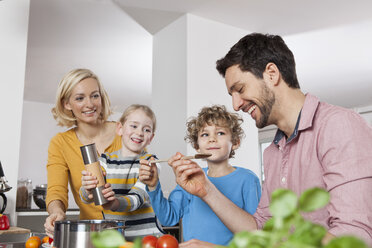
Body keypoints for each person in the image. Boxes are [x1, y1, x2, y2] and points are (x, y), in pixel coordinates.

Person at [167, 33, 372, 247]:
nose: (236, 105)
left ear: (271, 74)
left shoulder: (339, 125)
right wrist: (206, 190)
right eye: (231, 95)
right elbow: (261, 229)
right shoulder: (273, 152)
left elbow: (353, 236)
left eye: (240, 89)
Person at [139, 105, 261, 245]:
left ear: (235, 142)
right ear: (197, 146)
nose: (212, 139)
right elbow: (168, 218)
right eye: (205, 134)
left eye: (220, 133)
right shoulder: (191, 176)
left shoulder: (248, 180)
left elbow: (256, 235)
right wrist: (154, 186)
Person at [44, 68, 122, 237]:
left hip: (132, 229)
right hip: (92, 234)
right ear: (67, 103)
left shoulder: (124, 132)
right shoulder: (61, 143)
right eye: (80, 98)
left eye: (95, 95)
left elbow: (144, 186)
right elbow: (56, 191)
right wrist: (56, 212)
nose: (90, 104)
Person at [80, 104, 164, 240]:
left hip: (148, 239)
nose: (139, 132)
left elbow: (138, 198)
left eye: (146, 130)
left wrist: (114, 204)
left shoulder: (150, 163)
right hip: (117, 239)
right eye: (134, 126)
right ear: (120, 128)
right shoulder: (105, 161)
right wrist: (88, 190)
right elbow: (85, 198)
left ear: (151, 138)